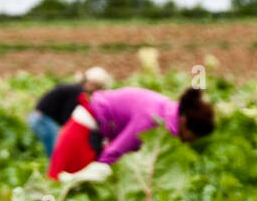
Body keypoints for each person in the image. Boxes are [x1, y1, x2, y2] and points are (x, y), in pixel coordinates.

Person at [47, 84, 214, 182]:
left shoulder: (167, 112)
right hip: (83, 130)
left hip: (98, 132)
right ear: (184, 122)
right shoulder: (153, 121)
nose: (189, 142)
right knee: (61, 184)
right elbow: (113, 154)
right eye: (192, 138)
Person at [27, 66, 111, 157]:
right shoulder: (78, 93)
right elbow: (68, 117)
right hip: (43, 119)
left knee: (54, 150)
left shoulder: (74, 89)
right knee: (56, 153)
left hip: (39, 117)